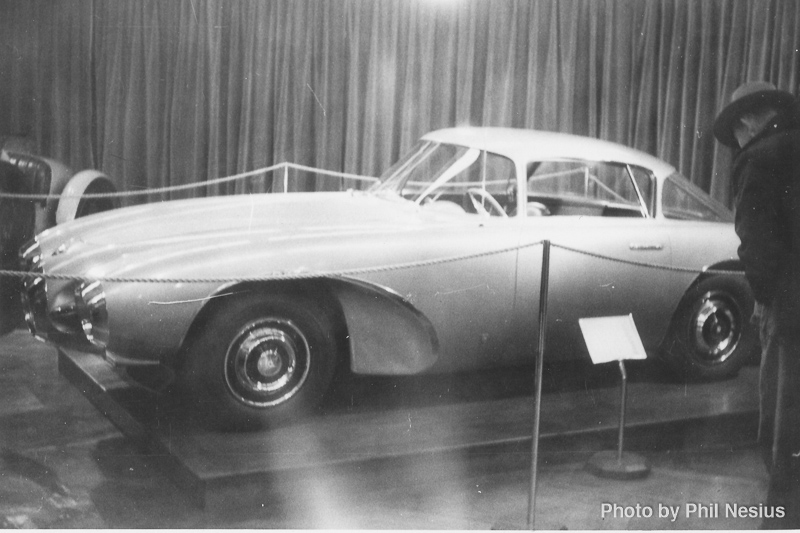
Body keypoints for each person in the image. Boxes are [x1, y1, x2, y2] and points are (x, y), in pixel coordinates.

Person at [713, 81, 800, 528]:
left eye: (737, 135)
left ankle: (783, 519)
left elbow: (756, 243)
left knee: (784, 427)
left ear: (748, 121)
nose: (738, 144)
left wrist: (765, 301)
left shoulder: (759, 157)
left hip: (790, 312)